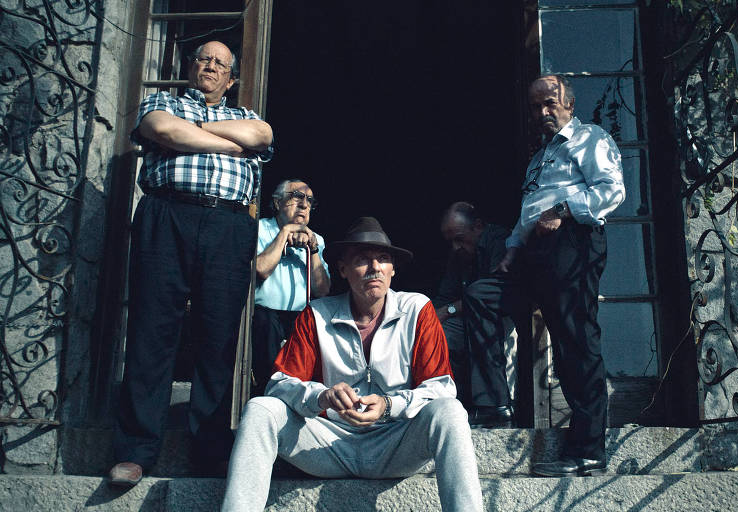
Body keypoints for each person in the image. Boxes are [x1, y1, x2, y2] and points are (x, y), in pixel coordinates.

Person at [221, 217, 483, 512]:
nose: (374, 268)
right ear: (343, 270)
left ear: (393, 269)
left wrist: (388, 405)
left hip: (394, 443)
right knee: (260, 409)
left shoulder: (417, 309)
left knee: (449, 411)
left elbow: (441, 388)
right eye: (362, 260)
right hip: (328, 445)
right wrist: (322, 396)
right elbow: (280, 384)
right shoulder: (317, 314)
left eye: (383, 259)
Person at [108, 41, 273, 486]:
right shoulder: (163, 101)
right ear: (192, 65)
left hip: (229, 226)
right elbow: (162, 129)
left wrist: (193, 130)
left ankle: (209, 451)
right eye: (205, 58)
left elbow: (262, 137)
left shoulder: (248, 116)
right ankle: (135, 451)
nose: (212, 66)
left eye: (221, 63)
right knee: (152, 330)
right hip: (167, 215)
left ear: (231, 79)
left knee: (219, 337)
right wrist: (220, 136)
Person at [496, 74, 625, 477]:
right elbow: (529, 210)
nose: (542, 112)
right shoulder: (540, 157)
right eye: (536, 107)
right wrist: (512, 249)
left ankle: (588, 449)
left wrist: (565, 210)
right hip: (533, 251)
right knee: (484, 298)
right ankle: (493, 408)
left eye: (550, 103)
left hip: (572, 242)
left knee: (574, 339)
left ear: (569, 102)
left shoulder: (590, 139)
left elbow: (612, 190)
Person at [434, 202, 514, 427]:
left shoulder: (499, 240)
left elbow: (489, 295)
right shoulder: (458, 254)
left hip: (504, 315)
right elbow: (444, 297)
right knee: (438, 334)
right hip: (468, 317)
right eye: (450, 241)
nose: (455, 246)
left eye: (459, 238)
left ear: (478, 226)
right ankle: (452, 406)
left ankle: (493, 407)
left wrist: (449, 310)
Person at [251, 179, 330, 394]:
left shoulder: (317, 239)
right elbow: (261, 269)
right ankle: (269, 392)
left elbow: (322, 290)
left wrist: (313, 250)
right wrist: (284, 233)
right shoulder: (259, 228)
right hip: (264, 316)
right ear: (277, 203)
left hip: (299, 315)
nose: (305, 205)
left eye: (310, 201)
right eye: (298, 197)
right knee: (265, 324)